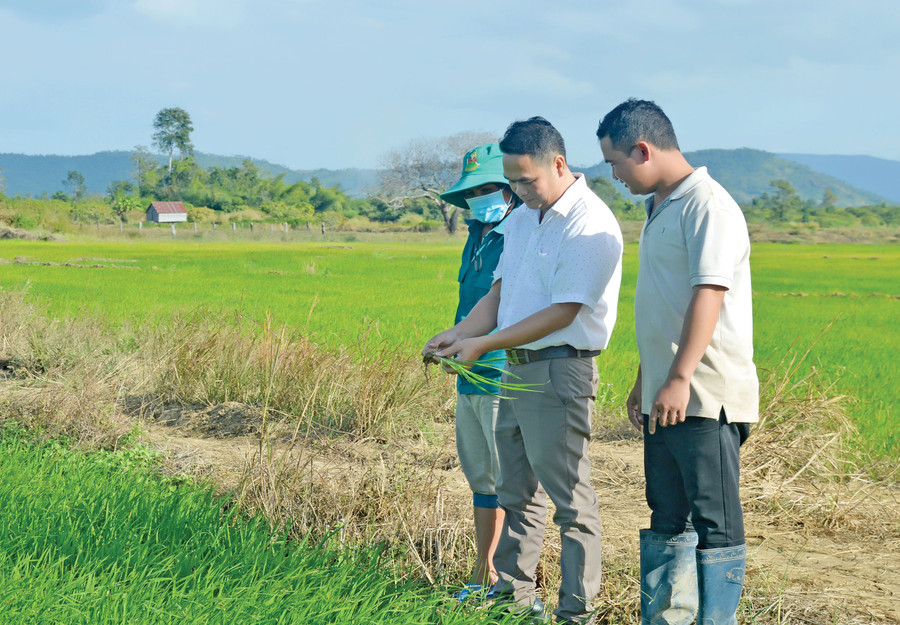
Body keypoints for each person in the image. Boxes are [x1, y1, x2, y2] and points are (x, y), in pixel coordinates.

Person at [423, 117, 623, 624]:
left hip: (559, 370)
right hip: (516, 369)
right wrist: (462, 332)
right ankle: (512, 598)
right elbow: (499, 293)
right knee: (516, 491)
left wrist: (484, 342)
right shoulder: (520, 217)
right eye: (511, 180)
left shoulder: (588, 224)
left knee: (570, 501)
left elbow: (564, 312)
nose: (518, 190)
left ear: (558, 164)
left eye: (526, 180)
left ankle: (575, 611)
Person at [596, 99, 758, 625]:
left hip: (704, 395)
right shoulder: (663, 206)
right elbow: (663, 306)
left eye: (616, 163)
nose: (615, 175)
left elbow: (709, 292)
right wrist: (647, 381)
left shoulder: (707, 205)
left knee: (715, 520)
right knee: (666, 513)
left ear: (643, 150)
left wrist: (681, 378)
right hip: (665, 394)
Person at [434, 143, 517, 599]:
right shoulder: (479, 232)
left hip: (505, 372)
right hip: (471, 374)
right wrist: (451, 337)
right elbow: (476, 307)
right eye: (473, 192)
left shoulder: (521, 233)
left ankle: (511, 581)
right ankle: (481, 575)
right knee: (482, 477)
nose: (479, 199)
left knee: (510, 481)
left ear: (510, 188)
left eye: (489, 189)